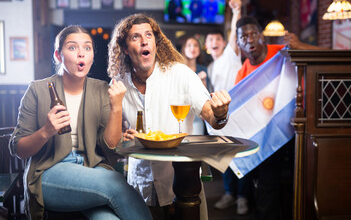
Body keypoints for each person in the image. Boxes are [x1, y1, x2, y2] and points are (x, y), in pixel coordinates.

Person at [9, 25, 152, 220]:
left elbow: (110, 145)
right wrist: (46, 131)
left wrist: (116, 107)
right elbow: (19, 149)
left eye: (87, 48)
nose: (81, 54)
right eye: (72, 47)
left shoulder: (101, 89)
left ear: (92, 56)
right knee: (116, 184)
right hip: (50, 173)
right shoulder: (37, 90)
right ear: (58, 56)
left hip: (92, 169)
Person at [107, 13, 231, 220]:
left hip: (182, 182)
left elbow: (213, 119)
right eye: (135, 37)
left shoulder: (181, 74)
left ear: (156, 43)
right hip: (139, 187)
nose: (145, 40)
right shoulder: (119, 84)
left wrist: (221, 113)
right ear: (126, 49)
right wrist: (122, 136)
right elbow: (112, 139)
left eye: (149, 35)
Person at [235, 16, 327, 219]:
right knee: (267, 188)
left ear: (262, 36)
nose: (249, 39)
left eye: (253, 34)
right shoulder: (242, 75)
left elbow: (325, 56)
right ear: (238, 43)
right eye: (244, 36)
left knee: (304, 183)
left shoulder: (282, 53)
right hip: (268, 140)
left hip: (299, 130)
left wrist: (300, 45)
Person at [206, 0, 242, 92]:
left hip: (238, 103)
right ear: (206, 45)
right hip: (222, 106)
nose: (214, 42)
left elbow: (234, 33)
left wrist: (236, 11)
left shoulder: (230, 54)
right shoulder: (209, 68)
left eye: (218, 39)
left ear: (224, 43)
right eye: (211, 40)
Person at [180, 36, 211, 134]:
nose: (192, 48)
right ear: (184, 49)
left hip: (198, 116)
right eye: (189, 45)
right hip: (181, 114)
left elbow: (206, 95)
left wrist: (203, 81)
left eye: (195, 45)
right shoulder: (179, 69)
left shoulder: (203, 69)